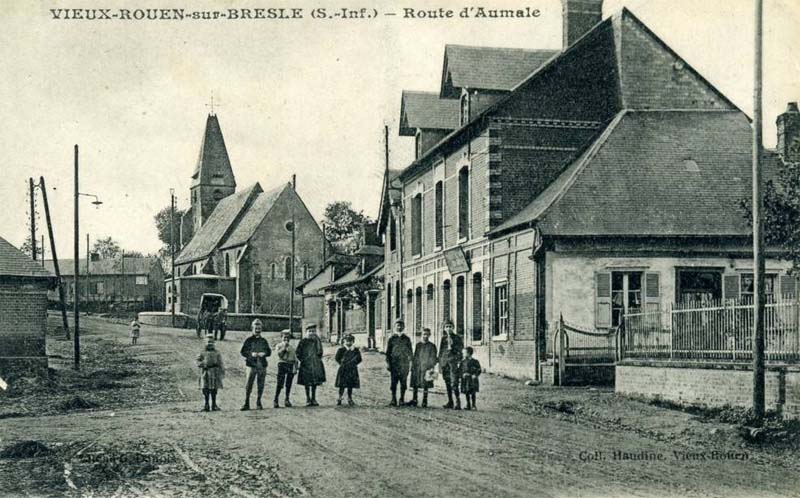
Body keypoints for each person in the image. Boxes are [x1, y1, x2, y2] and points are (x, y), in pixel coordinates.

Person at [240, 319, 271, 410]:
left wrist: (264, 353)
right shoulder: (249, 340)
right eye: (256, 328)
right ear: (252, 329)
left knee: (260, 384)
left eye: (259, 328)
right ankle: (246, 402)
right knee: (249, 384)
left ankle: (258, 401)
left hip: (262, 364)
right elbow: (243, 352)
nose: (257, 330)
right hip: (251, 365)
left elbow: (269, 352)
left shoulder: (264, 341)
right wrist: (251, 354)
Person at [385, 319, 413, 406]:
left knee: (403, 382)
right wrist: (388, 363)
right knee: (394, 382)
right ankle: (393, 399)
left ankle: (401, 399)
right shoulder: (392, 339)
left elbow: (410, 351)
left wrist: (410, 362)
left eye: (401, 325)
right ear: (395, 327)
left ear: (403, 327)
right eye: (398, 325)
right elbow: (388, 352)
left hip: (404, 363)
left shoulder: (407, 339)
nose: (399, 327)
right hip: (394, 363)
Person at [296, 325, 326, 406]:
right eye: (310, 331)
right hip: (306, 365)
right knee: (306, 382)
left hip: (315, 365)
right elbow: (298, 352)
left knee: (314, 383)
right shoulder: (303, 342)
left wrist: (317, 360)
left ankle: (314, 398)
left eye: (313, 331)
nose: (312, 333)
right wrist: (303, 360)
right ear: (306, 332)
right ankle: (308, 399)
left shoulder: (317, 341)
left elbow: (320, 352)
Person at [408, 327, 438, 407]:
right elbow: (415, 356)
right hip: (417, 367)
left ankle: (425, 401)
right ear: (422, 335)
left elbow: (433, 357)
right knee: (415, 383)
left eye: (427, 335)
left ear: (430, 335)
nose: (425, 336)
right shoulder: (418, 345)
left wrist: (432, 367)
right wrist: (413, 366)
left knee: (425, 385)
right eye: (424, 334)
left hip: (426, 367)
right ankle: (415, 399)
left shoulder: (432, 346)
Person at [438, 320, 464, 410]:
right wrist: (440, 364)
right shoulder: (443, 339)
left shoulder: (457, 338)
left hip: (453, 363)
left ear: (453, 328)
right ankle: (450, 401)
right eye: (446, 327)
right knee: (447, 382)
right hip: (445, 364)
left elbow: (460, 351)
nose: (448, 328)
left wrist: (457, 359)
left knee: (454, 383)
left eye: (450, 326)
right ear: (444, 328)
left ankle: (458, 402)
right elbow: (441, 352)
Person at [196, 334, 225, 412]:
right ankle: (206, 405)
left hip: (214, 373)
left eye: (212, 342)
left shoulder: (217, 353)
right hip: (205, 372)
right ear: (205, 342)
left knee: (214, 389)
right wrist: (202, 364)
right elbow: (198, 361)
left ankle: (214, 404)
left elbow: (220, 362)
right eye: (208, 342)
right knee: (205, 389)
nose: (210, 344)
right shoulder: (202, 352)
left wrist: (221, 371)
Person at [335, 334, 362, 406]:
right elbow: (337, 358)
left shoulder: (355, 350)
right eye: (347, 341)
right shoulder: (341, 350)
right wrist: (342, 363)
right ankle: (340, 397)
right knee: (342, 385)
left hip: (352, 370)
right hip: (343, 370)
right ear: (344, 341)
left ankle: (350, 398)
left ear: (353, 342)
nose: (348, 343)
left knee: (350, 385)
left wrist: (354, 363)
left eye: (350, 341)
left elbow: (359, 359)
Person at [274, 330, 298, 408]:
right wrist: (284, 348)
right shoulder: (279, 346)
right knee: (280, 382)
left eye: (288, 338)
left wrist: (295, 367)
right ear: (281, 338)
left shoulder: (292, 348)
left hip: (290, 365)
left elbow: (295, 358)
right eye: (284, 337)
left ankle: (287, 399)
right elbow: (279, 355)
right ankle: (276, 399)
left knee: (289, 383)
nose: (286, 339)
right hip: (282, 364)